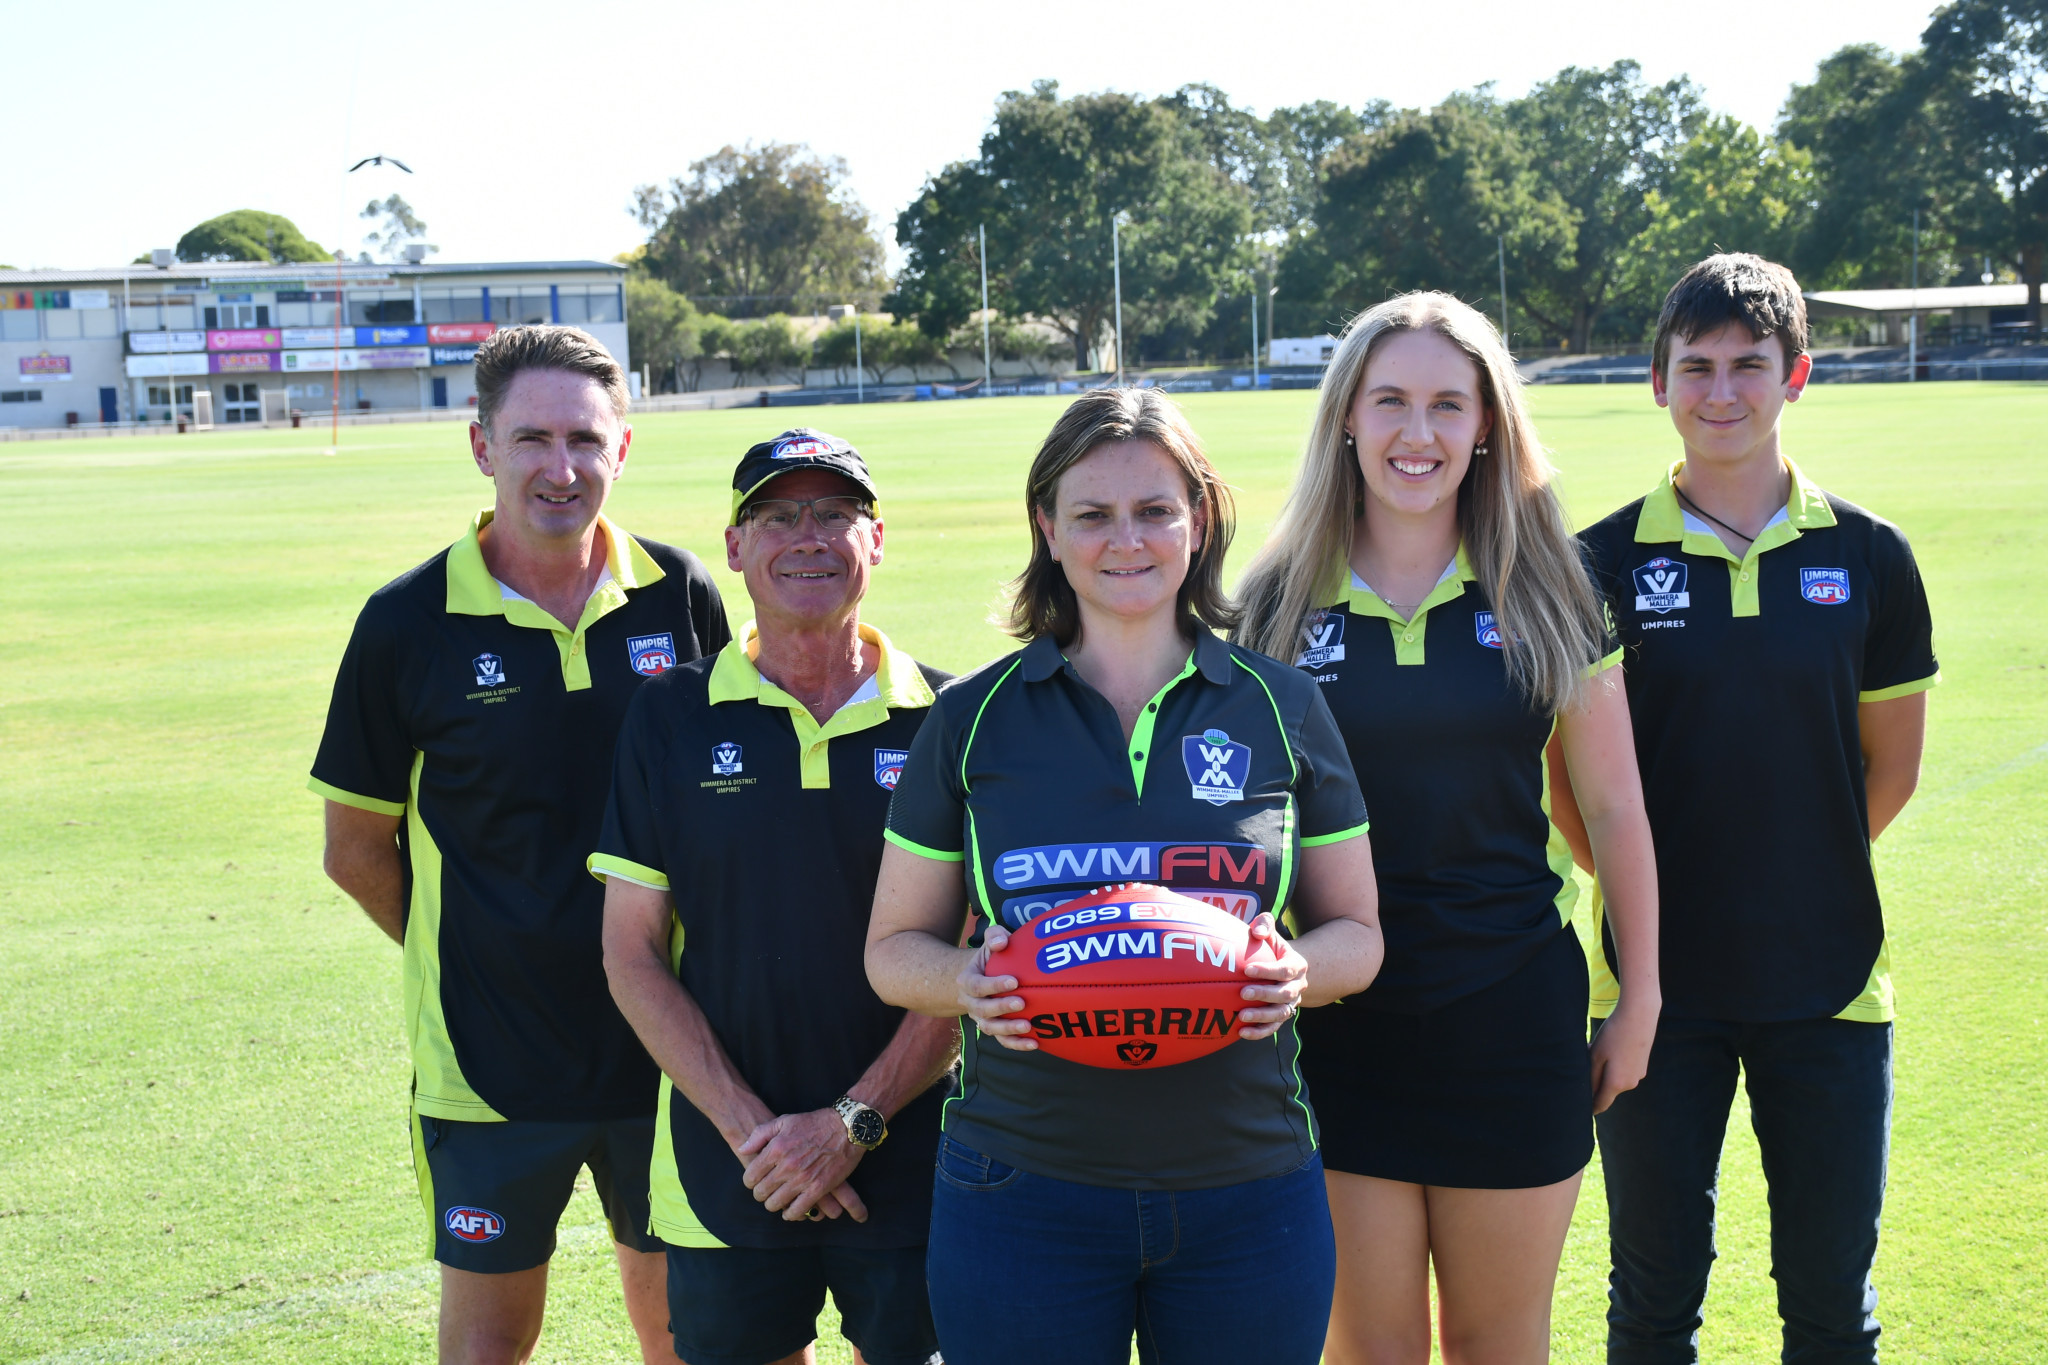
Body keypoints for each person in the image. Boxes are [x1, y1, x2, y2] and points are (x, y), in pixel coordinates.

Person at [865, 387, 1385, 1365]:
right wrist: (966, 983)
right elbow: (893, 952)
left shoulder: (1281, 708)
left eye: (1154, 510)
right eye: (1091, 514)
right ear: (1045, 529)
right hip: (1021, 1191)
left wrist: (1294, 972)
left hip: (1246, 1187)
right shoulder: (973, 717)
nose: (1126, 540)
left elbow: (1357, 934)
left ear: (1199, 519)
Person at [1231, 291, 1662, 1365]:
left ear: (1485, 425)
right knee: (1368, 1351)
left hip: (1508, 1019)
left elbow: (1611, 808)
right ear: (1344, 418)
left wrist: (1640, 993)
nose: (1414, 434)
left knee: (1495, 1347)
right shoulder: (1274, 602)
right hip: (1331, 1023)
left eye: (1443, 405)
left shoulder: (1551, 587)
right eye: (1387, 401)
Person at [310, 325, 729, 1365]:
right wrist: (482, 945)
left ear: (622, 449)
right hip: (488, 1065)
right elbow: (356, 846)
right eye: (531, 438)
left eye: (585, 440)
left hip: (673, 1052)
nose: (560, 467)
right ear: (480, 447)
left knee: (691, 1335)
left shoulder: (680, 598)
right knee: (488, 1346)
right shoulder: (406, 623)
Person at [1555, 254, 1937, 1365]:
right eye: (1695, 367)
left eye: (1747, 366)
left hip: (1827, 982)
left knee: (1829, 1307)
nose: (1720, 391)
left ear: (1796, 375)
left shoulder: (1868, 555)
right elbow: (1568, 791)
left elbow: (1891, 768)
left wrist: (1788, 873)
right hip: (1645, 994)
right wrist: (1664, 902)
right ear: (1657, 383)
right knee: (1650, 1302)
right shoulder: (1598, 564)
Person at [594, 429, 958, 1365]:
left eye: (835, 513)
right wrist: (762, 1136)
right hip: (732, 1165)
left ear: (875, 541)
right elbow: (631, 952)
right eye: (778, 514)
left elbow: (975, 959)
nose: (808, 535)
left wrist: (851, 1125)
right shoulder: (669, 717)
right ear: (733, 545)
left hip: (918, 1158)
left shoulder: (950, 715)